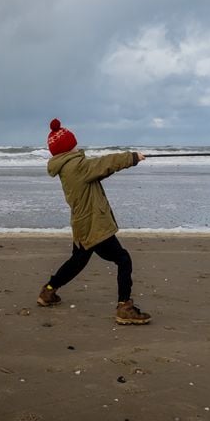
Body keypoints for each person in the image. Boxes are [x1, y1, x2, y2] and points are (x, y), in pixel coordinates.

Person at [37, 118, 151, 325]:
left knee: (77, 261)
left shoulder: (69, 168)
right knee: (123, 259)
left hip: (82, 224)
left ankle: (49, 291)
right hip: (94, 225)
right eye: (74, 144)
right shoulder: (77, 166)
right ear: (68, 148)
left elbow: (96, 172)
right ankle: (124, 307)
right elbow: (104, 164)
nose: (77, 146)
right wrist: (132, 157)